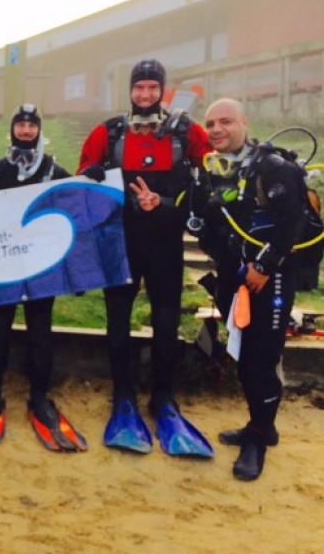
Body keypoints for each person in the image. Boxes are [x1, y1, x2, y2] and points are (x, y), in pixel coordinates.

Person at [77, 59, 214, 456]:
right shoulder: (111, 131)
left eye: (153, 88)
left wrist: (170, 204)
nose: (145, 95)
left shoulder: (185, 131)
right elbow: (83, 173)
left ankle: (163, 397)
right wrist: (92, 175)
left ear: (162, 91)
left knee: (166, 319)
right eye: (139, 88)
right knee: (118, 320)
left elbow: (212, 173)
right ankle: (123, 394)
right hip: (121, 242)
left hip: (166, 241)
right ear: (130, 91)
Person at [0, 104, 87, 452]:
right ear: (12, 130)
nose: (27, 131)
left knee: (40, 329)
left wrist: (89, 179)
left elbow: (74, 208)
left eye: (32, 126)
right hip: (4, 266)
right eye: (21, 125)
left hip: (40, 267)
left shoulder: (54, 171)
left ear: (39, 131)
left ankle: (39, 395)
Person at [198, 98, 305, 480]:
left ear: (244, 122)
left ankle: (258, 439)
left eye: (226, 121)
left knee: (261, 359)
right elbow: (206, 222)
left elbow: (293, 223)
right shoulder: (215, 171)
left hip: (269, 278)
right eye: (210, 123)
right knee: (243, 356)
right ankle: (261, 426)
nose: (216, 129)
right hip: (234, 279)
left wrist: (262, 266)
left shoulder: (273, 167)